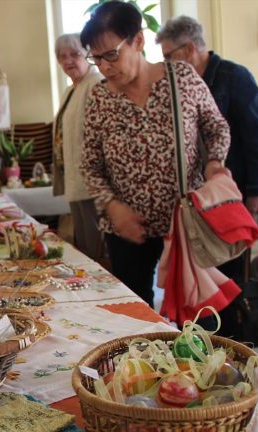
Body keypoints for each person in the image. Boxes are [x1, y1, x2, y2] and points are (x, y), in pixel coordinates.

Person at [80, 1, 230, 307]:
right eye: (96, 59)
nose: (105, 67)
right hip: (127, 231)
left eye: (111, 54)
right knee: (137, 315)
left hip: (187, 224)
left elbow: (217, 127)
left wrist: (215, 164)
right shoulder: (98, 98)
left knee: (198, 314)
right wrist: (113, 207)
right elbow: (90, 166)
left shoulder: (182, 79)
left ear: (138, 40)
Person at [156, 16, 258, 218]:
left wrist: (257, 189)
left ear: (189, 49)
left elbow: (257, 135)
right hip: (202, 191)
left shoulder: (234, 76)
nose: (165, 65)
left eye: (168, 57)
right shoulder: (179, 86)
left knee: (231, 248)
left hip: (235, 185)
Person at [52, 33, 103, 260]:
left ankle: (107, 291)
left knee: (97, 246)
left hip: (91, 182)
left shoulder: (96, 84)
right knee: (84, 245)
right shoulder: (70, 90)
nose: (69, 61)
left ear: (88, 55)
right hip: (75, 178)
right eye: (63, 57)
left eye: (74, 54)